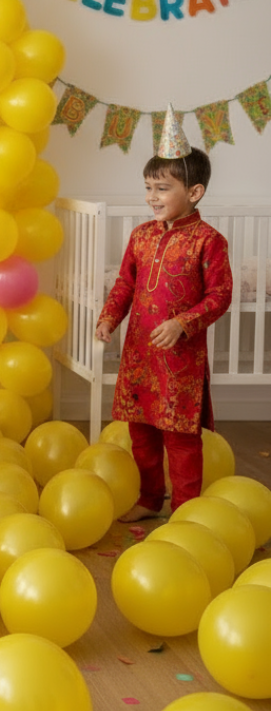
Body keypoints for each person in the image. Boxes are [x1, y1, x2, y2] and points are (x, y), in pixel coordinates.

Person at [96, 105, 232, 521]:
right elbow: (125, 284)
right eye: (148, 187)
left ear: (194, 193)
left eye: (161, 188)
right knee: (141, 433)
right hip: (139, 353)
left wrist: (182, 324)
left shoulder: (209, 241)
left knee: (180, 437)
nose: (151, 197)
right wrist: (108, 317)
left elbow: (220, 295)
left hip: (179, 360)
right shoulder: (140, 236)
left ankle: (186, 509)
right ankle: (150, 498)